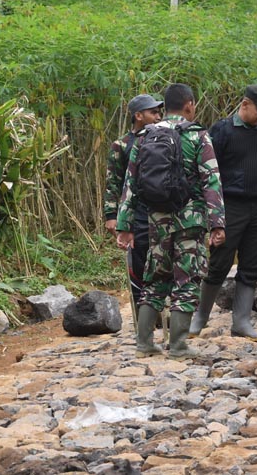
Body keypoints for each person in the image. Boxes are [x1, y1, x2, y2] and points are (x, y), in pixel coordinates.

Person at [116, 83, 226, 359]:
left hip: (157, 220)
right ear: (189, 104)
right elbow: (211, 180)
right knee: (187, 280)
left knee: (155, 279)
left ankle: (144, 344)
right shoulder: (198, 135)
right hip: (191, 220)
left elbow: (130, 184)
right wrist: (218, 222)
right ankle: (178, 346)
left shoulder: (145, 136)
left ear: (165, 107)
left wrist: (124, 225)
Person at [189, 84, 257, 341]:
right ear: (245, 105)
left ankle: (242, 321)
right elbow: (205, 168)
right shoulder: (222, 131)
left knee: (252, 264)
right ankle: (199, 319)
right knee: (219, 262)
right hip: (229, 206)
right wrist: (209, 207)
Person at [104, 94, 164, 310]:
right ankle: (143, 316)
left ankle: (165, 312)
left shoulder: (164, 138)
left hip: (161, 213)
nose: (158, 117)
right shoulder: (122, 144)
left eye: (159, 112)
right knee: (138, 264)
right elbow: (114, 182)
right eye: (153, 112)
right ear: (138, 115)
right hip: (136, 215)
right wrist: (112, 216)